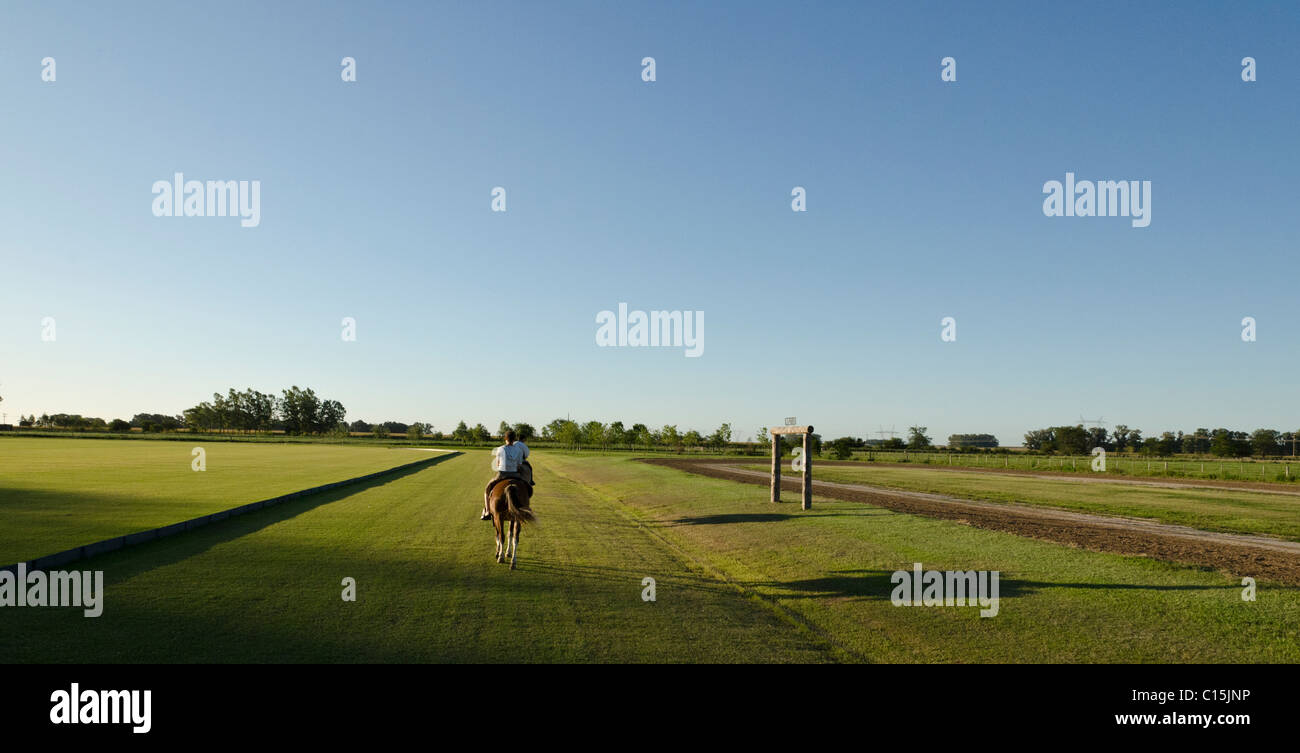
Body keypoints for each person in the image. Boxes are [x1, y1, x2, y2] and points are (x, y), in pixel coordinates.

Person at [482, 430, 533, 520]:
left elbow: (498, 464)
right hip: (515, 474)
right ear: (514, 439)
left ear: (505, 438)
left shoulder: (500, 449)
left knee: (487, 490)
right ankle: (526, 507)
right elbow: (519, 465)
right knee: (528, 488)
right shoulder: (519, 450)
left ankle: (487, 511)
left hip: (502, 474)